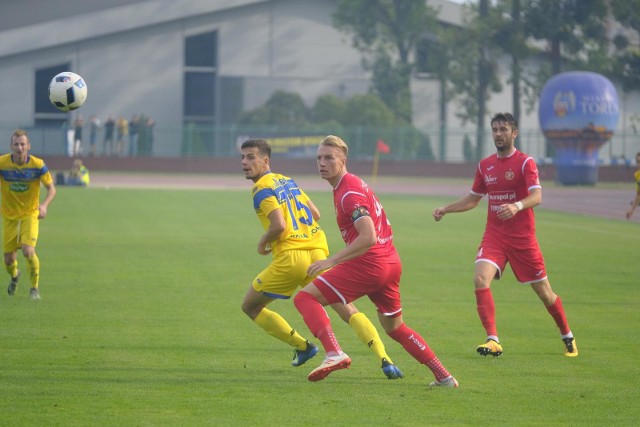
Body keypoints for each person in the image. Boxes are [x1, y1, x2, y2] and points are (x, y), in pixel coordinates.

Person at [293, 135, 458, 386]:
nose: (322, 163)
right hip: (390, 262)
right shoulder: (350, 185)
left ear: (343, 161)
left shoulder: (348, 193)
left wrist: (331, 261)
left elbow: (368, 236)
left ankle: (333, 352)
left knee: (304, 297)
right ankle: (443, 375)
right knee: (395, 328)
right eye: (319, 158)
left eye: (329, 158)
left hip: (370, 264)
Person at [240, 138, 403, 380]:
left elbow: (279, 225)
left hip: (291, 257)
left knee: (250, 306)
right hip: (317, 250)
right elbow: (315, 213)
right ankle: (384, 358)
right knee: (346, 308)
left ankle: (306, 347)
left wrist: (264, 241)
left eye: (250, 157)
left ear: (265, 160)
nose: (244, 162)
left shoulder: (260, 188)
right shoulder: (288, 181)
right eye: (243, 157)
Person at [432, 112, 578, 358]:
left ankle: (567, 335)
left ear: (514, 133)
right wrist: (446, 209)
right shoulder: (485, 165)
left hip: (522, 239)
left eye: (503, 129)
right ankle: (493, 339)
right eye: (495, 130)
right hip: (495, 236)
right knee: (480, 279)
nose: (498, 134)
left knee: (544, 293)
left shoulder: (525, 162)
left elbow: (537, 196)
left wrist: (517, 206)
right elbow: (473, 199)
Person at [2, 130, 56, 300]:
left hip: (30, 214)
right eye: (16, 144)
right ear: (11, 146)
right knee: (8, 260)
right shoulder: (2, 163)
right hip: (9, 216)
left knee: (27, 250)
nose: (19, 147)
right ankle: (15, 275)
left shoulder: (38, 164)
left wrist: (44, 206)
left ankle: (34, 289)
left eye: (22, 144)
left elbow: (51, 188)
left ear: (28, 146)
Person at [625, 152, 640, 220]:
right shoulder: (637, 175)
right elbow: (638, 195)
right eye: (638, 161)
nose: (639, 164)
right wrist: (631, 210)